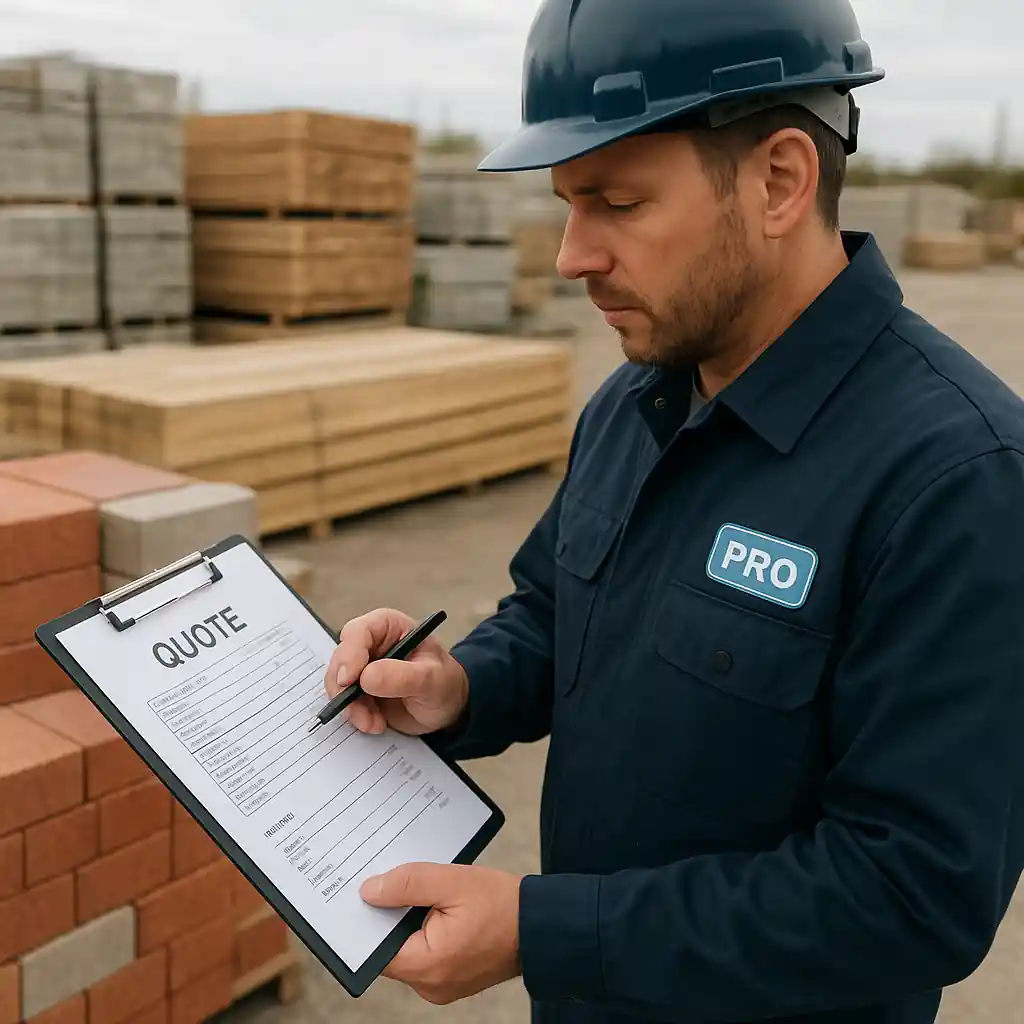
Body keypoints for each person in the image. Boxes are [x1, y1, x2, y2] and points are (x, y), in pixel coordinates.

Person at [324, 0, 1024, 1020]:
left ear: (779, 180)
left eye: (615, 201)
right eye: (566, 203)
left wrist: (545, 929)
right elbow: (555, 607)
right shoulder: (636, 398)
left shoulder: (957, 477)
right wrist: (457, 683)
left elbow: (912, 895)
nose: (571, 255)